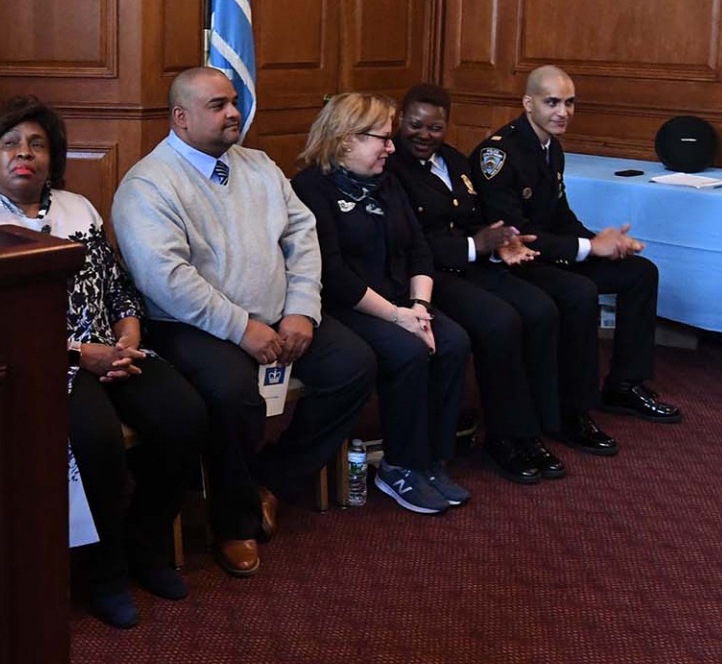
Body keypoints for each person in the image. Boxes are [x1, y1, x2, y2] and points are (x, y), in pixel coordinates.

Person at [0, 97, 208, 629]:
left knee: (185, 415)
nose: (25, 154)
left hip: (112, 349)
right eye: (11, 144)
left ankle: (148, 542)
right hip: (47, 364)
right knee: (98, 440)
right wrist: (79, 353)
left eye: (37, 144)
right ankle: (105, 571)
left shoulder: (78, 208)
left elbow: (115, 284)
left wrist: (129, 330)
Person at [112, 67, 374, 578]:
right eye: (217, 105)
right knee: (233, 393)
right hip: (190, 325)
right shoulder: (148, 183)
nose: (234, 112)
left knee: (354, 365)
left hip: (281, 313)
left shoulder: (258, 165)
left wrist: (301, 307)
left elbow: (303, 235)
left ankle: (269, 482)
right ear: (180, 118)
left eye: (233, 102)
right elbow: (165, 278)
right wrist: (242, 328)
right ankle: (233, 523)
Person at [386, 82, 590, 478]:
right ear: (400, 122)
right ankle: (505, 436)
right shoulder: (391, 169)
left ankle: (539, 425)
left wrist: (502, 242)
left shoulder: (455, 161)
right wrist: (473, 245)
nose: (424, 136)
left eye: (435, 128)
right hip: (431, 275)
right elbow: (408, 242)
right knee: (500, 322)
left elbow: (477, 217)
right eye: (415, 125)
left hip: (476, 263)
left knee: (540, 308)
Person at [289, 93, 473, 512]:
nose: (392, 148)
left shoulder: (388, 182)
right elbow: (331, 275)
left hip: (401, 301)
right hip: (348, 306)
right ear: (346, 139)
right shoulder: (309, 188)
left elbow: (419, 250)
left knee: (454, 341)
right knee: (407, 351)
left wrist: (420, 308)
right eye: (382, 139)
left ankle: (431, 459)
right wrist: (399, 318)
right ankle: (400, 467)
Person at [472, 65, 682, 430]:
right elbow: (514, 234)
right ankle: (574, 410)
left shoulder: (552, 147)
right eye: (552, 102)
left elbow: (560, 215)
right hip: (516, 260)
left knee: (640, 273)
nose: (563, 112)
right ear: (527, 103)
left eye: (569, 103)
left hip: (551, 250)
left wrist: (604, 241)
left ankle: (625, 384)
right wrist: (588, 247)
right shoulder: (499, 154)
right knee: (579, 291)